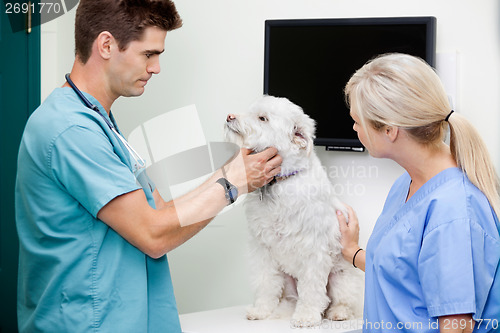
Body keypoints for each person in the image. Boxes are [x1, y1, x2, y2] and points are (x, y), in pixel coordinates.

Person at [14, 0, 282, 332]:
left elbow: (160, 213)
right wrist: (231, 184)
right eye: (148, 54)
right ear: (107, 45)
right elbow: (153, 234)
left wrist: (232, 173)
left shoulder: (99, 122)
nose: (156, 68)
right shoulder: (72, 131)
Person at [338, 53, 500, 333]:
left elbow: (457, 327)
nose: (354, 128)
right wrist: (352, 251)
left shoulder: (454, 210)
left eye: (357, 121)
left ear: (389, 129)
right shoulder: (407, 183)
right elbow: (403, 272)